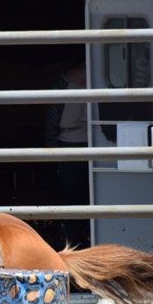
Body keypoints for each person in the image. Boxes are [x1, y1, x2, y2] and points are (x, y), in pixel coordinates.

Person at [44, 59, 91, 249]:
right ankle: (81, 240)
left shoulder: (63, 84)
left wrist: (52, 152)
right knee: (83, 198)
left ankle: (74, 242)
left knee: (72, 198)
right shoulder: (96, 81)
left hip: (68, 146)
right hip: (81, 146)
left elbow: (51, 122)